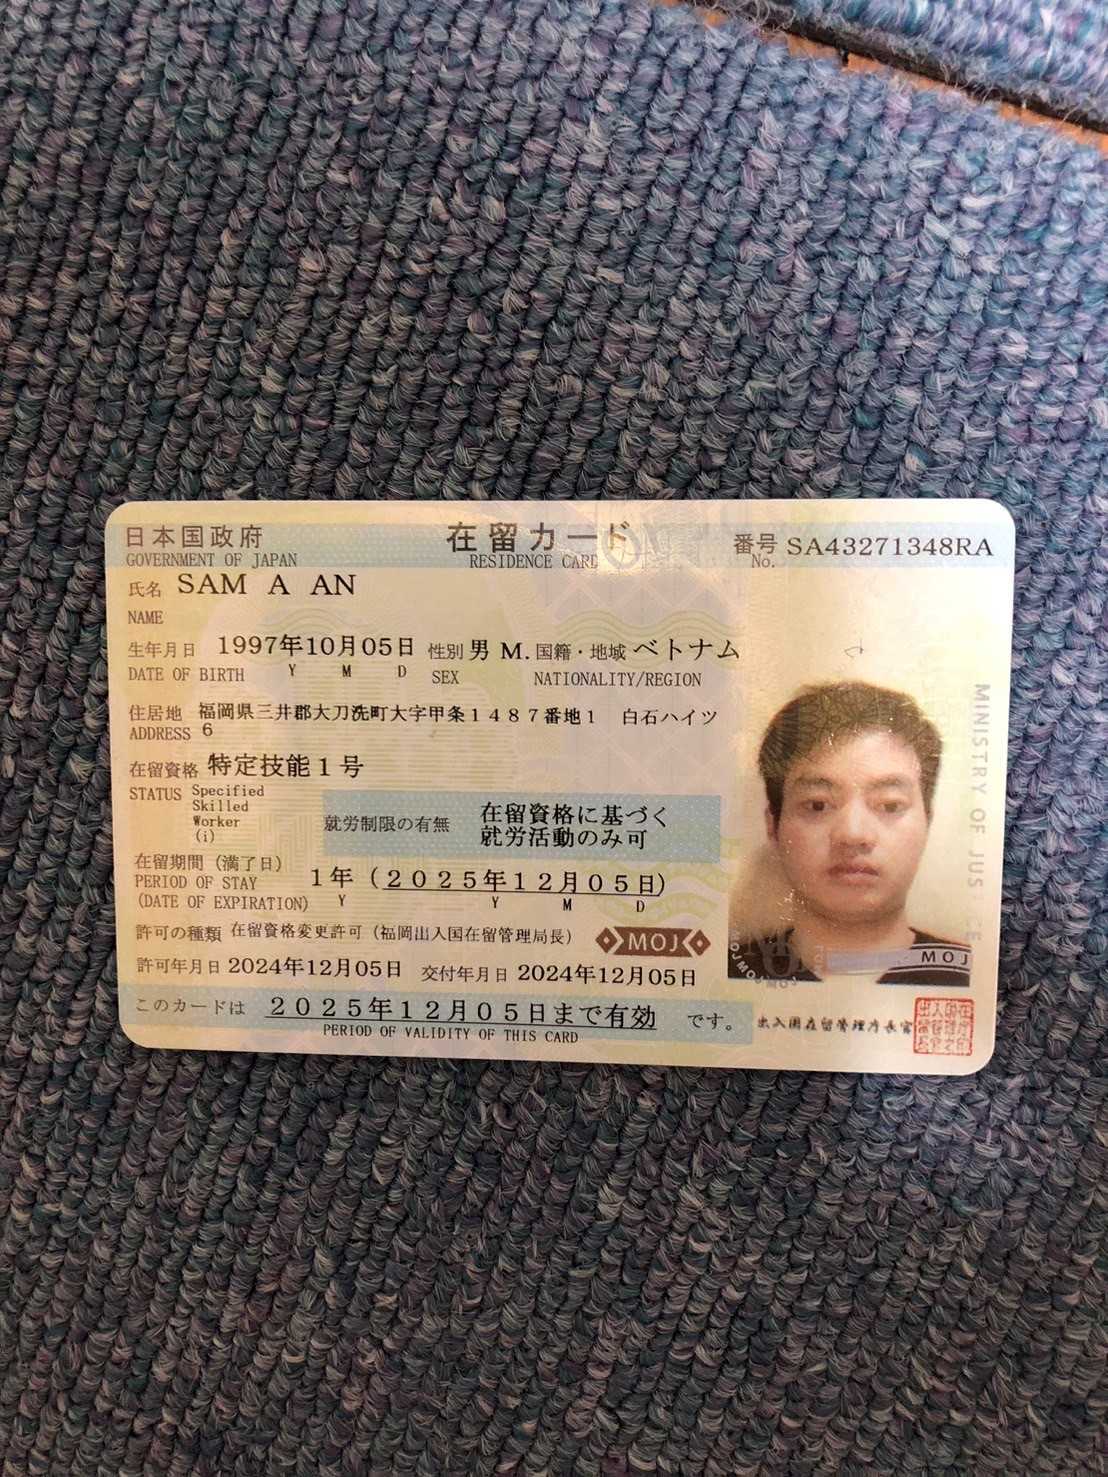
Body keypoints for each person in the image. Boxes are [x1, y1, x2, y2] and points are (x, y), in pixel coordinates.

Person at [728, 681, 971, 986]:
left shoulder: (971, 976)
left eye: (890, 805)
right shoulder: (726, 973)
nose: (853, 835)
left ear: (927, 822)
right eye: (817, 805)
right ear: (773, 826)